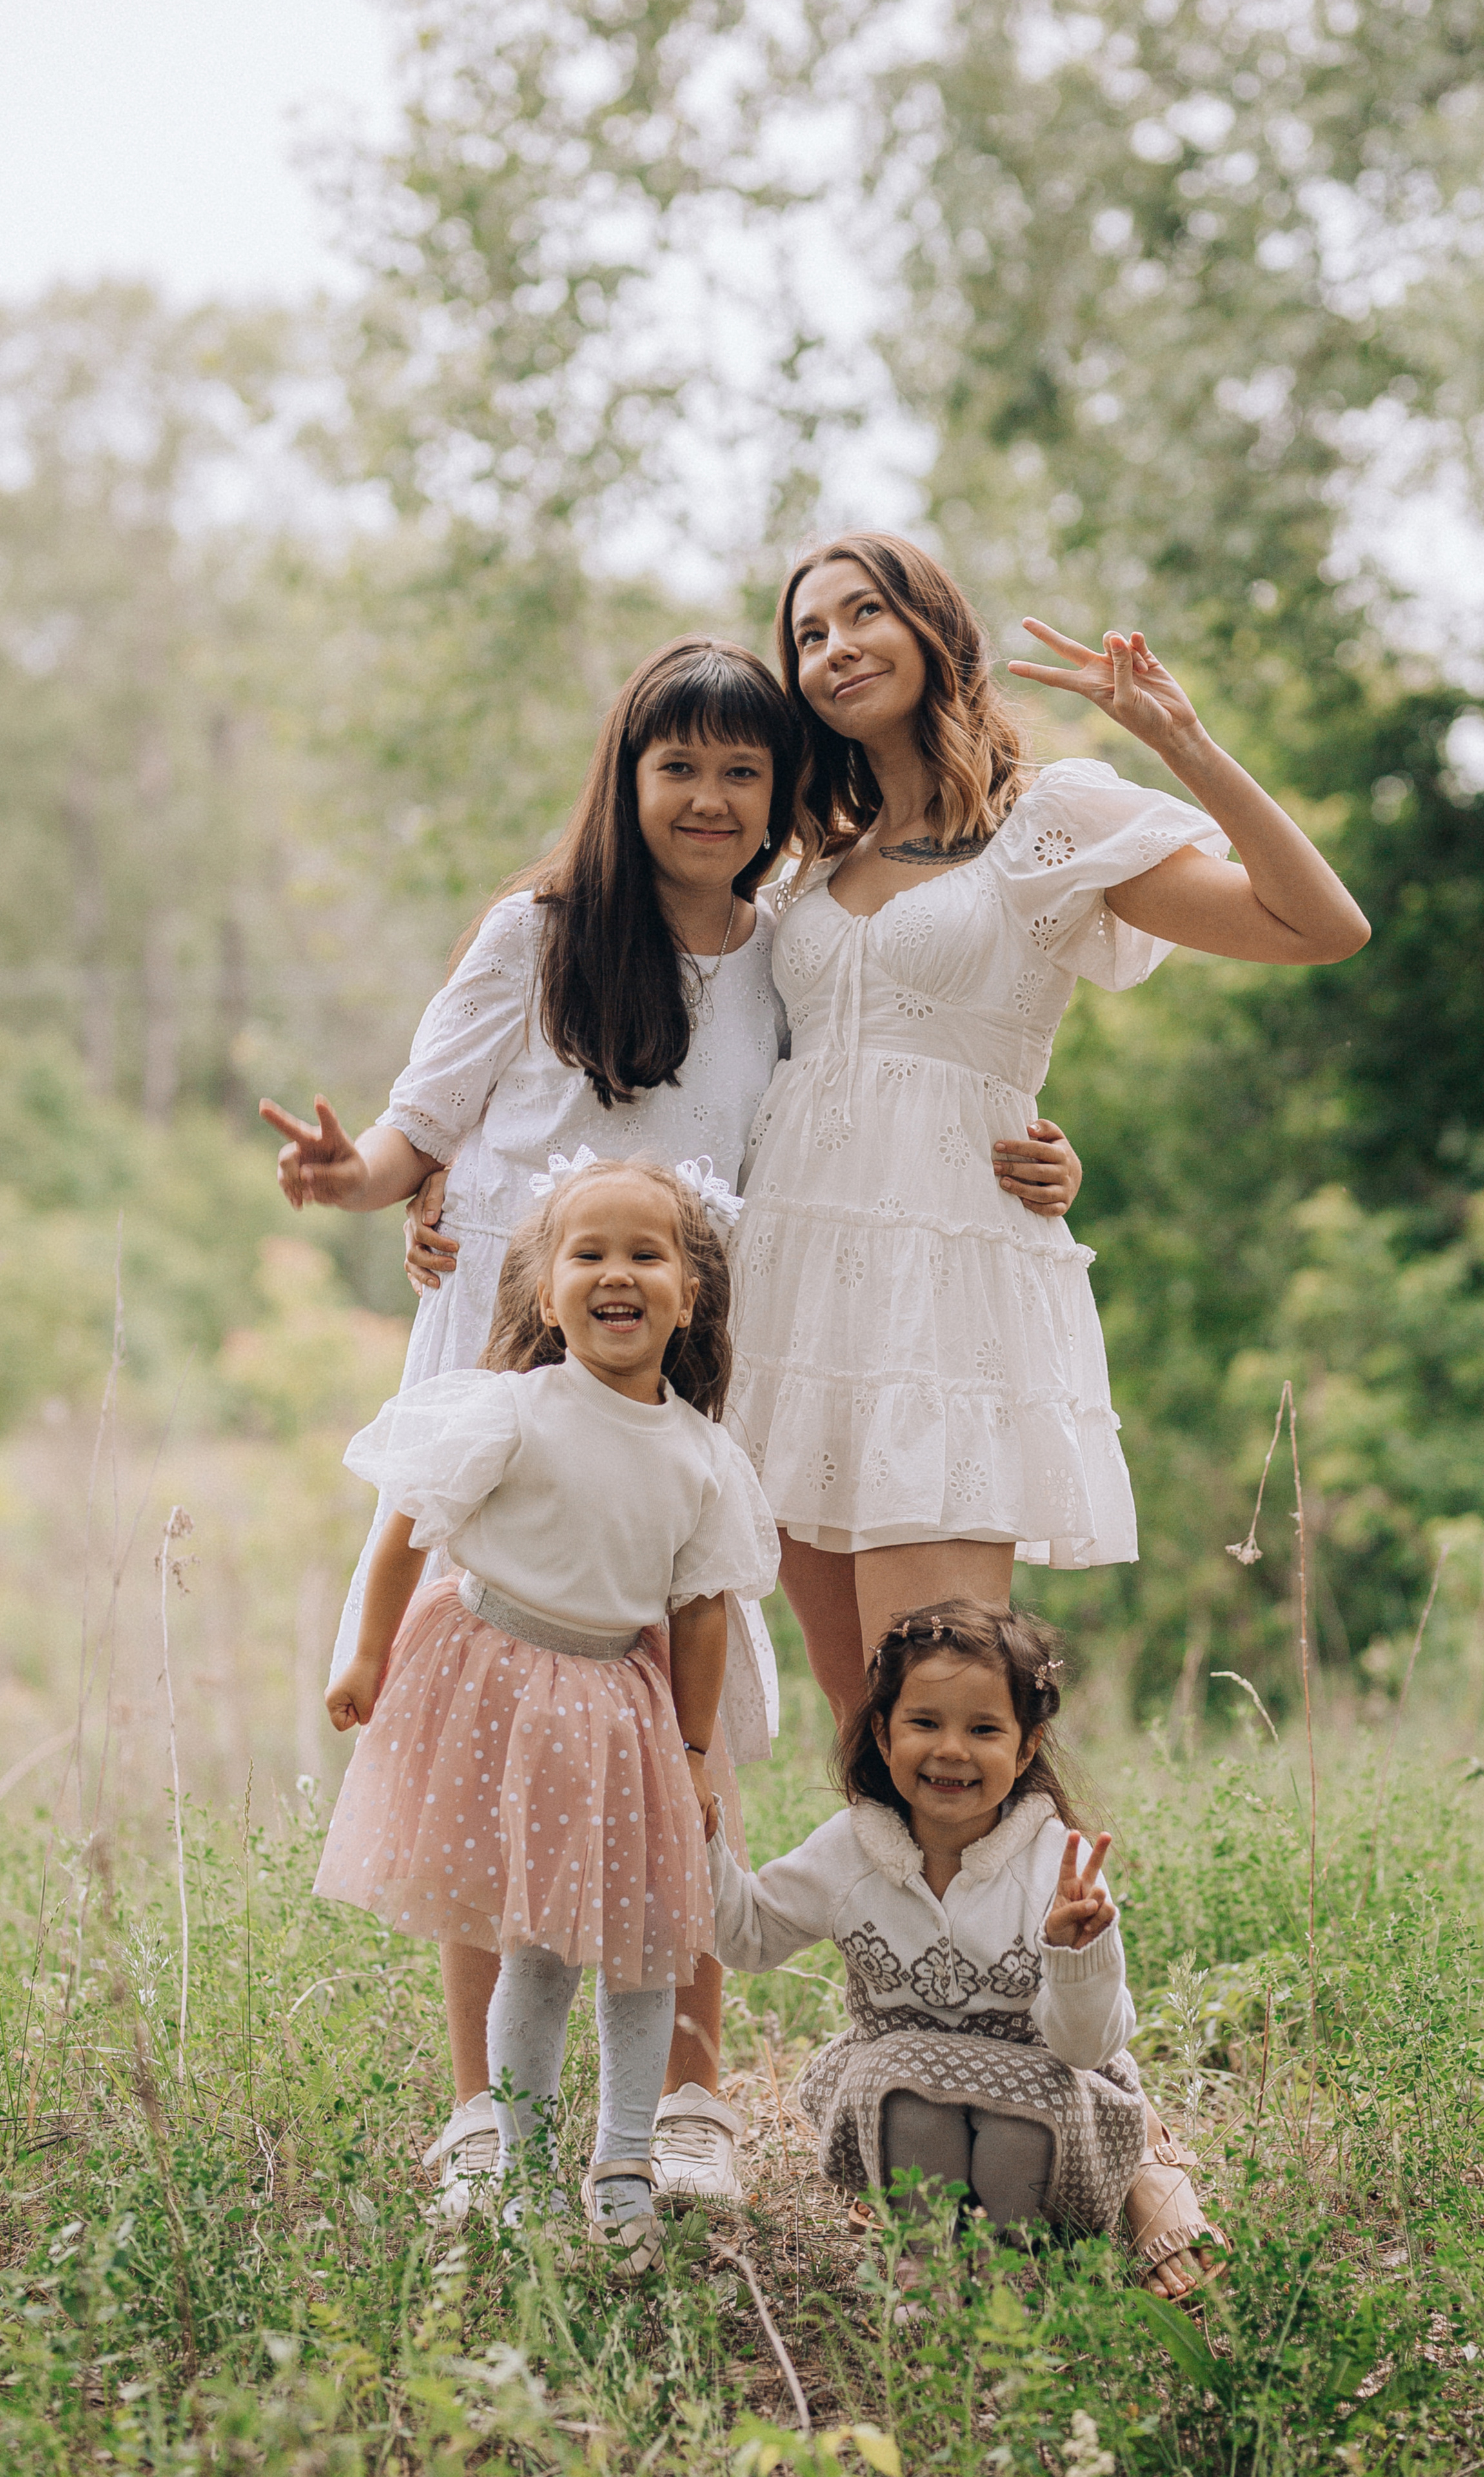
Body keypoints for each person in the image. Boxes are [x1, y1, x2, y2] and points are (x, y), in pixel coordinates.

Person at [261, 635, 1085, 2218]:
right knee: (491, 1730)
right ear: (624, 779)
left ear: (779, 792)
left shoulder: (782, 948)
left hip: (685, 1386)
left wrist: (1039, 1156)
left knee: (671, 1728)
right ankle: (483, 2111)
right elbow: (410, 1128)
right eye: (675, 766)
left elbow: (885, 1087)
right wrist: (356, 1178)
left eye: (740, 770)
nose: (706, 798)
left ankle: (691, 2088)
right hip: (517, 1363)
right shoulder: (542, 930)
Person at [732, 531, 1370, 1720]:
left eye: (862, 614)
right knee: (864, 1724)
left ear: (933, 628)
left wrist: (1182, 742)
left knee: (945, 1699)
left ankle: (1061, 1910)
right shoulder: (808, 859)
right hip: (796, 1298)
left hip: (948, 1285)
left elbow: (1318, 926)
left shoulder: (1050, 822)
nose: (834, 648)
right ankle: (910, 1915)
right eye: (808, 635)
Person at [313, 1155, 778, 2275]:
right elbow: (407, 1529)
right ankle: (521, 2161)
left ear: (691, 1291)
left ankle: (624, 2163)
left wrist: (696, 1751)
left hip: (620, 1708)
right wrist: (366, 1655)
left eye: (645, 1254)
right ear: (543, 1288)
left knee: (644, 1949)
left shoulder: (704, 1458)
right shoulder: (510, 1412)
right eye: (590, 1254)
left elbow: (702, 1614)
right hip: (496, 1690)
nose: (617, 1276)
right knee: (535, 1950)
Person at [707, 1598, 1223, 2305]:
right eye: (925, 1723)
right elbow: (749, 1935)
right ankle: (925, 2263)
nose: (951, 1750)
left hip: (1041, 2110)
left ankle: (1004, 2267)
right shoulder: (850, 1850)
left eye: (983, 1729)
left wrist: (1076, 1953)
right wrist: (698, 1843)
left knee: (1013, 2122)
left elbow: (1083, 2046)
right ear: (884, 1737)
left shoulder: (1055, 1866)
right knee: (906, 2084)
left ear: (1025, 1747)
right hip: (907, 2108)